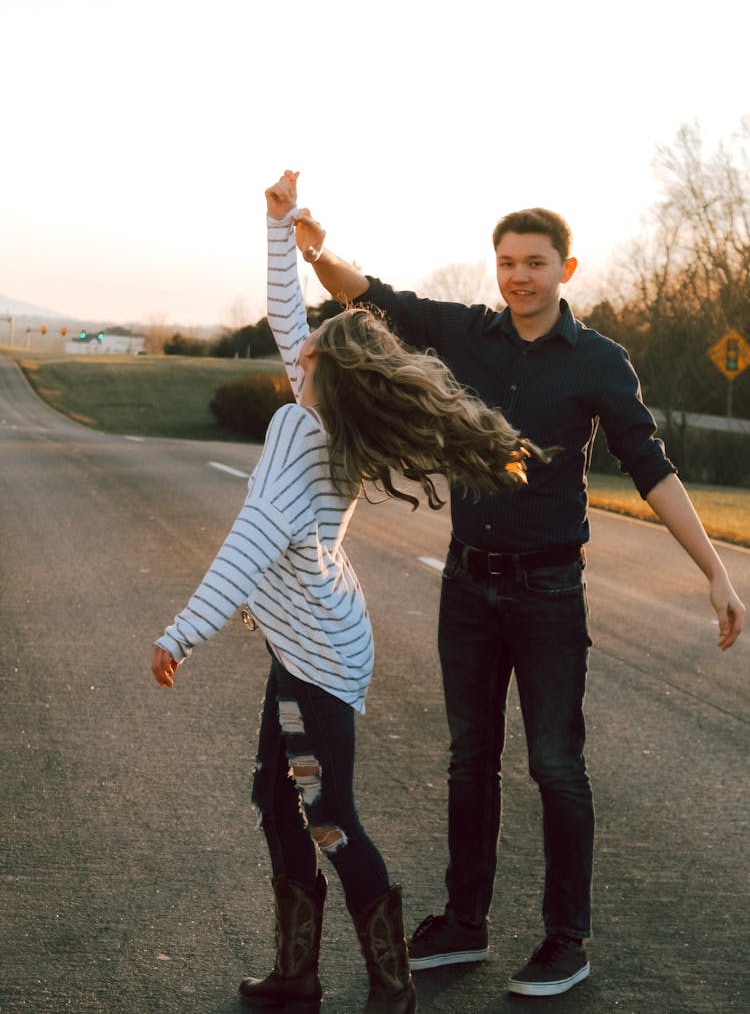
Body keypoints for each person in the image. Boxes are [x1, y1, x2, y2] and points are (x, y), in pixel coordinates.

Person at [292, 201, 746, 998]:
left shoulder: (600, 361)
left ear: (565, 269)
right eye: (506, 263)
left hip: (547, 592)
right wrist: (315, 249)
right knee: (470, 761)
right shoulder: (468, 332)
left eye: (534, 263)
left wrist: (714, 568)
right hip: (467, 584)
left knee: (556, 766)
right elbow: (372, 295)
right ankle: (465, 921)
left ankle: (567, 939)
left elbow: (651, 466)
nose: (518, 277)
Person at [150, 172, 550, 1014]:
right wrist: (280, 225)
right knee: (277, 795)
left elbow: (247, 545)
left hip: (317, 657)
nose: (295, 348)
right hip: (314, 638)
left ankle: (390, 982)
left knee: (327, 813)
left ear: (327, 374)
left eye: (310, 349)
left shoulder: (300, 429)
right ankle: (297, 974)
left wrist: (182, 632)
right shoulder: (330, 413)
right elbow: (286, 313)